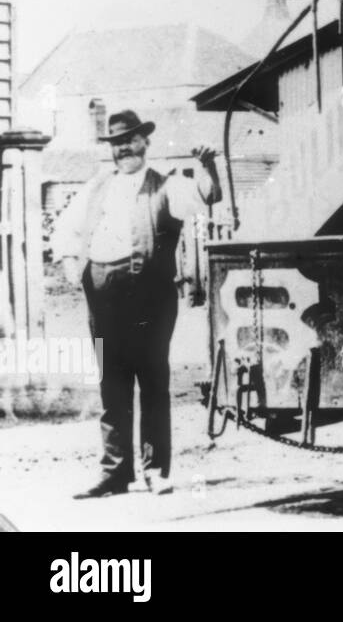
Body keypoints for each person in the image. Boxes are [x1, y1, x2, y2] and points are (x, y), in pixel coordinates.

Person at [52, 110, 222, 498]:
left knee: (152, 383)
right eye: (115, 142)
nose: (123, 148)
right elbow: (66, 227)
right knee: (111, 385)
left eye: (129, 140)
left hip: (150, 297)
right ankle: (115, 473)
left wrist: (207, 164)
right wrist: (71, 268)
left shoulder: (167, 186)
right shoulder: (97, 187)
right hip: (103, 297)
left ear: (145, 142)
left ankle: (155, 470)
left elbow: (207, 197)